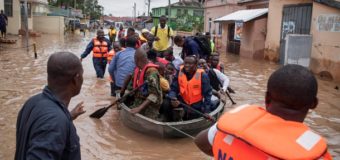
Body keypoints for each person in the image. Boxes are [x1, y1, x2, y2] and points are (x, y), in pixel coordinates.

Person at [194, 64, 333, 160]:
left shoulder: (236, 123)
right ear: (313, 104)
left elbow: (200, 140)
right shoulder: (315, 154)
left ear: (267, 97)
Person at [15, 52, 86, 160]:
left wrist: (68, 116)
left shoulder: (32, 102)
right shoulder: (54, 120)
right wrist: (60, 119)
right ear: (76, 79)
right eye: (82, 74)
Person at [168, 56, 213, 120]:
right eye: (185, 63)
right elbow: (173, 88)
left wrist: (206, 111)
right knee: (167, 103)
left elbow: (207, 94)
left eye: (190, 64)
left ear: (195, 65)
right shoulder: (179, 72)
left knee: (194, 116)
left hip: (196, 106)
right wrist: (173, 98)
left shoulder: (202, 75)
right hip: (183, 102)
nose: (187, 65)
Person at [128, 48, 163, 120]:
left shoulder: (152, 72)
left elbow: (154, 95)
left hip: (151, 104)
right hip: (139, 99)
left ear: (137, 60)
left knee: (149, 121)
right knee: (130, 113)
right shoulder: (138, 69)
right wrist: (123, 96)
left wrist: (139, 108)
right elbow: (131, 87)